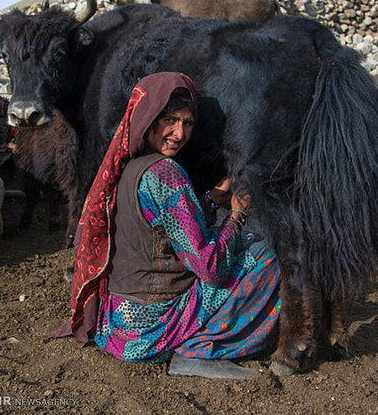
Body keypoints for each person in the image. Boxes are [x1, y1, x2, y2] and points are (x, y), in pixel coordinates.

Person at [67, 72, 280, 379]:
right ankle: (200, 349)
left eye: (187, 123)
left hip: (116, 328)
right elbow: (210, 267)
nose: (178, 134)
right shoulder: (166, 174)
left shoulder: (128, 165)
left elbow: (164, 228)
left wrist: (209, 199)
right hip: (152, 331)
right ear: (149, 117)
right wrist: (236, 215)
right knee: (266, 252)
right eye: (169, 120)